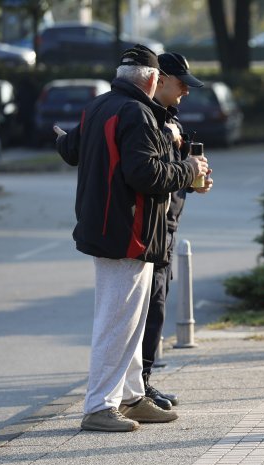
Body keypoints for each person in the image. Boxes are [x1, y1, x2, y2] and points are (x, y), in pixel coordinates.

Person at [54, 45, 209, 432]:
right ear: (153, 79)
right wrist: (188, 168)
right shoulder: (136, 114)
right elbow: (146, 175)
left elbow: (71, 150)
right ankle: (99, 406)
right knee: (118, 321)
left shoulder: (99, 107)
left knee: (130, 321)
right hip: (128, 232)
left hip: (112, 230)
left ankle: (130, 396)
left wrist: (60, 139)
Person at [141, 51, 213, 409]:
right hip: (147, 229)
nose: (186, 91)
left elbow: (174, 174)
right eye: (181, 83)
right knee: (145, 309)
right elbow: (147, 171)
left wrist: (192, 182)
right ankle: (136, 387)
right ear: (161, 79)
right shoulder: (144, 118)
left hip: (168, 225)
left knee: (157, 307)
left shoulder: (171, 118)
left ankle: (144, 382)